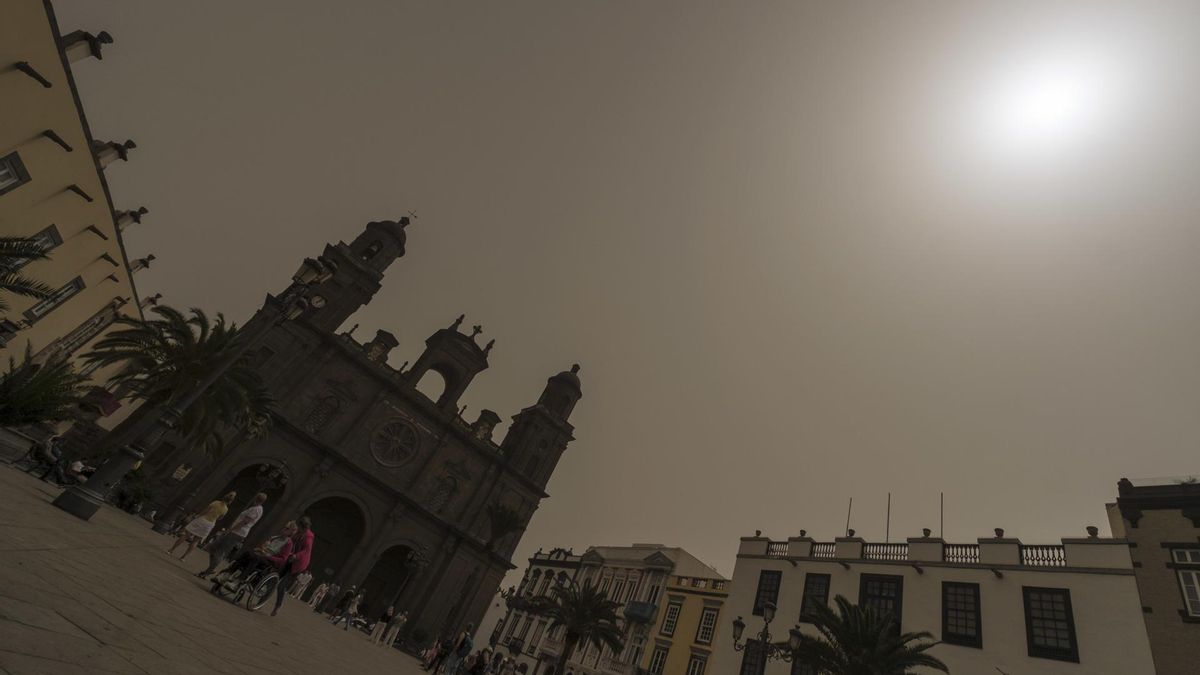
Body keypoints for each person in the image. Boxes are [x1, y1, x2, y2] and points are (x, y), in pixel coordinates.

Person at [197, 493, 267, 578]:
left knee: (220, 552)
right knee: (212, 547)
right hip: (236, 532)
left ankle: (207, 572)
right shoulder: (257, 508)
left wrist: (230, 530)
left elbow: (244, 522)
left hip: (237, 533)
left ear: (257, 498)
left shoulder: (256, 509)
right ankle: (211, 568)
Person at [211, 521, 297, 582]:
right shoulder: (274, 537)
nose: (284, 529)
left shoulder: (288, 543)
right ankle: (227, 573)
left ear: (291, 532)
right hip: (261, 554)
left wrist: (268, 556)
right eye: (284, 527)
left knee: (256, 558)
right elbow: (264, 546)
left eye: (287, 528)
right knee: (247, 553)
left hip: (270, 561)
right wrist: (260, 548)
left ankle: (239, 579)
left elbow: (282, 559)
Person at [166, 492, 235, 560]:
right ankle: (183, 557)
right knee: (195, 541)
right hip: (209, 524)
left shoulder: (216, 502)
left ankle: (171, 550)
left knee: (186, 535)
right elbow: (220, 518)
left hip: (202, 519)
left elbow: (206, 510)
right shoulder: (225, 509)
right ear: (230, 501)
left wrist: (197, 516)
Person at [271, 516, 314, 616]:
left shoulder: (308, 536)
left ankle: (278, 606)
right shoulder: (298, 532)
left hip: (298, 564)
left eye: (298, 527)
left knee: (281, 586)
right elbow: (288, 538)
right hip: (289, 558)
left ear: (303, 527)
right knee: (274, 576)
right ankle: (263, 596)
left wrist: (295, 556)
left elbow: (306, 550)